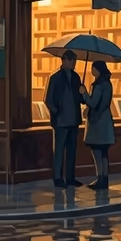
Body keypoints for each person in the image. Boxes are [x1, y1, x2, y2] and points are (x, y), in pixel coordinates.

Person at [45, 52, 84, 187]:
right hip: (61, 120)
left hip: (74, 119)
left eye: (75, 60)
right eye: (72, 60)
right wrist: (56, 111)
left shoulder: (76, 77)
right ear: (64, 60)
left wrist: (83, 93)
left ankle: (70, 177)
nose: (74, 63)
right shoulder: (55, 78)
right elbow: (48, 99)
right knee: (59, 150)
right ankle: (57, 178)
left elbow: (80, 99)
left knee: (72, 150)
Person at [81, 61, 115, 191]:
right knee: (104, 152)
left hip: (97, 123)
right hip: (105, 121)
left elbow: (93, 102)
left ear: (98, 70)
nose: (91, 71)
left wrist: (84, 93)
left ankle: (99, 177)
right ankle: (104, 178)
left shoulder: (98, 85)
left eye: (93, 68)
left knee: (96, 151)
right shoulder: (108, 83)